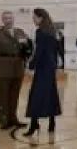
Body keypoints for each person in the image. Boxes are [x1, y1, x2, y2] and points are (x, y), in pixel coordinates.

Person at [0, 11, 28, 129]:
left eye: (10, 18)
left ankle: (13, 119)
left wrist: (28, 53)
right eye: (5, 18)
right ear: (2, 20)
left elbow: (27, 47)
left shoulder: (20, 32)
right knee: (3, 96)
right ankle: (4, 121)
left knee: (15, 95)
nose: (8, 20)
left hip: (18, 66)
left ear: (13, 19)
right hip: (4, 67)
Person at [24, 8, 62, 136]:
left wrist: (31, 66)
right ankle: (52, 123)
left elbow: (39, 52)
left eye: (34, 17)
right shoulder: (52, 31)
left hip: (43, 67)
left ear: (41, 18)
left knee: (36, 95)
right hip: (50, 67)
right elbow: (56, 51)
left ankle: (34, 124)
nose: (33, 20)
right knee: (50, 94)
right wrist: (56, 66)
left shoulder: (40, 32)